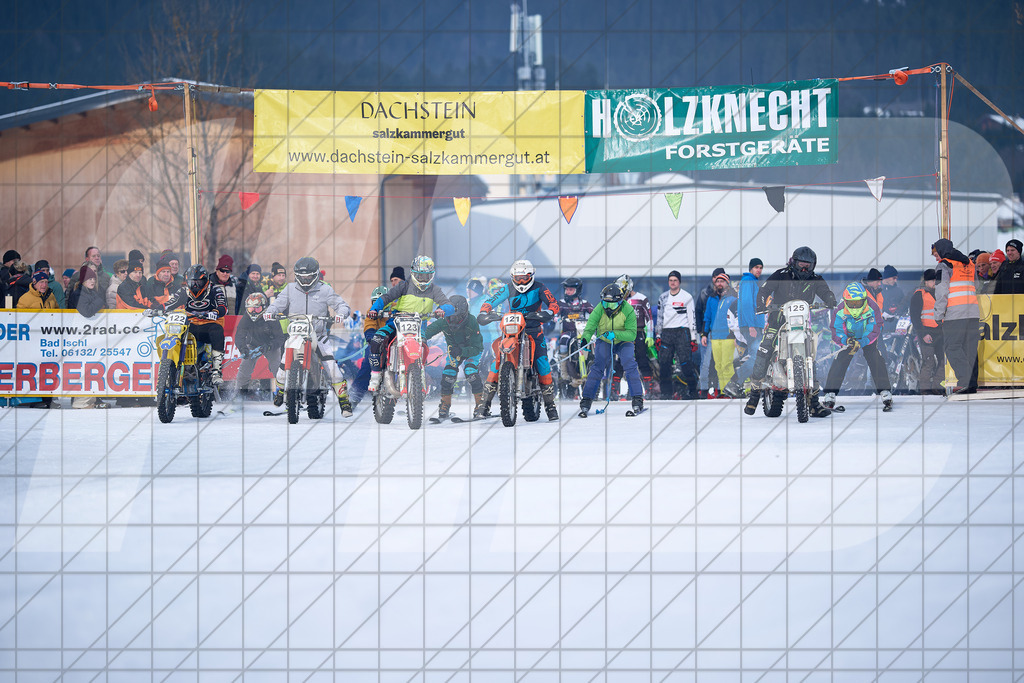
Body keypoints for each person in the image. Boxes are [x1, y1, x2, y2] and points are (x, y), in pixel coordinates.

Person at [743, 246, 838, 417]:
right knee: (764, 349)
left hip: (802, 324)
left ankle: (814, 404)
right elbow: (764, 290)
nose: (804, 268)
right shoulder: (781, 274)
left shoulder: (815, 279)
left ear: (813, 265)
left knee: (811, 357)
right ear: (793, 262)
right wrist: (761, 304)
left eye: (807, 265)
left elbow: (825, 291)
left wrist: (830, 298)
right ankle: (755, 392)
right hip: (777, 321)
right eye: (801, 264)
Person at [264, 257, 354, 416]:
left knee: (332, 367)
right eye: (302, 276)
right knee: (282, 366)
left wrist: (341, 314)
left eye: (309, 276)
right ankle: (279, 390)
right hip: (295, 333)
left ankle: (344, 401)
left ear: (316, 275)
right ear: (297, 275)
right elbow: (277, 304)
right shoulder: (290, 289)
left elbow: (342, 305)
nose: (305, 279)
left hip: (318, 334)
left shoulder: (325, 289)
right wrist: (269, 312)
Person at [474, 259, 559, 420]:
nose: (520, 281)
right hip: (512, 331)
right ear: (512, 276)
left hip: (533, 330)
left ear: (531, 276)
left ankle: (550, 405)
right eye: (517, 278)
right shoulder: (508, 288)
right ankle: (484, 405)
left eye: (524, 278)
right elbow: (491, 300)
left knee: (542, 362)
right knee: (497, 362)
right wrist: (484, 311)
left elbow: (553, 303)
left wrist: (549, 312)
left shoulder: (540, 287)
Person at [367, 256, 453, 397]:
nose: (423, 279)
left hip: (419, 327)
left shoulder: (435, 290)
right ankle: (376, 375)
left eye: (427, 276)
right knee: (377, 339)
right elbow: (386, 297)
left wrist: (442, 310)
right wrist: (374, 309)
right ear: (413, 273)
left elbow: (449, 305)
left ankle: (419, 371)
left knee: (424, 345)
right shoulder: (404, 286)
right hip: (396, 322)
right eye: (420, 275)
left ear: (432, 275)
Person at [821, 282, 893, 411]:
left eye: (858, 303)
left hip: (866, 339)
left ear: (864, 300)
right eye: (851, 303)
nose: (854, 306)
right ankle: (830, 394)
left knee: (876, 358)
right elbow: (836, 330)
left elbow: (875, 328)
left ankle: (885, 391)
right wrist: (846, 340)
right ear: (846, 301)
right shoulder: (840, 310)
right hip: (849, 339)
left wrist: (863, 341)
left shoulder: (872, 307)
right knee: (840, 360)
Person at [156, 265, 229, 387]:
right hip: (191, 325)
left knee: (217, 330)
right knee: (177, 333)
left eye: (198, 282)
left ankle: (216, 371)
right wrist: (156, 310)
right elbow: (170, 303)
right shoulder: (184, 291)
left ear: (205, 280)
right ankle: (173, 369)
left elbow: (223, 307)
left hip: (209, 325)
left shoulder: (215, 290)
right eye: (191, 282)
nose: (195, 285)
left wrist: (214, 313)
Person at [578, 283, 644, 416]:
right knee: (598, 366)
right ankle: (586, 400)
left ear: (620, 302)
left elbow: (632, 333)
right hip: (605, 340)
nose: (608, 307)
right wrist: (585, 338)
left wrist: (615, 334)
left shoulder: (628, 310)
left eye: (612, 304)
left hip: (623, 341)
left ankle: (637, 398)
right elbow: (590, 326)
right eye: (606, 303)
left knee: (629, 364)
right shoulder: (599, 308)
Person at [423, 294, 486, 419]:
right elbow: (427, 332)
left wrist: (462, 351)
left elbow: (478, 347)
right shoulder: (442, 321)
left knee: (470, 372)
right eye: (450, 317)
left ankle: (481, 405)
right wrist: (420, 339)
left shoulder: (472, 321)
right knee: (448, 375)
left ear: (464, 314)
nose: (453, 320)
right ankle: (445, 405)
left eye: (457, 317)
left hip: (471, 350)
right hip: (453, 351)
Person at [932, 238, 980, 393]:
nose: (936, 257)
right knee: (970, 349)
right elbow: (977, 286)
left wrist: (939, 314)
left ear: (941, 251)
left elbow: (941, 290)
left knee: (952, 347)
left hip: (955, 314)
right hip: (973, 312)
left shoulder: (944, 265)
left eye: (936, 253)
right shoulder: (969, 264)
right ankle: (972, 383)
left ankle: (964, 380)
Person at [228, 291, 285, 401]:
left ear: (263, 308)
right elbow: (240, 335)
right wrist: (243, 348)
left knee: (277, 369)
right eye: (251, 309)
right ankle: (239, 395)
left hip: (271, 345)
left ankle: (284, 394)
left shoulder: (270, 317)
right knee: (245, 368)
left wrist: (269, 346)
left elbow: (280, 338)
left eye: (257, 309)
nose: (253, 312)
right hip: (253, 345)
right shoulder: (246, 318)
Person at [655, 270, 699, 399]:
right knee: (664, 364)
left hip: (682, 332)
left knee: (685, 363)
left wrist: (693, 338)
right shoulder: (663, 297)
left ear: (679, 282)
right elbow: (659, 318)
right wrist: (658, 335)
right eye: (670, 280)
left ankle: (693, 391)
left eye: (675, 280)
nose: (672, 283)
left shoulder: (687, 297)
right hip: (667, 333)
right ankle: (666, 393)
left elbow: (692, 318)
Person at [701, 270, 744, 398]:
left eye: (722, 281)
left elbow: (738, 317)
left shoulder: (733, 298)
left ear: (727, 283)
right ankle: (725, 390)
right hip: (714, 337)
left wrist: (737, 335)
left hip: (728, 336)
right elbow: (707, 317)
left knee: (727, 364)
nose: (719, 283)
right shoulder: (711, 298)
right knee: (719, 366)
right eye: (718, 281)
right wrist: (704, 334)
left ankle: (732, 390)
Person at [612, 275, 655, 398]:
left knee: (642, 360)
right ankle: (614, 391)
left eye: (622, 290)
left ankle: (649, 390)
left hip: (638, 333)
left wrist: (650, 335)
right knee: (620, 362)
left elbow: (649, 319)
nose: (621, 293)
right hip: (623, 334)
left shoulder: (641, 298)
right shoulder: (617, 301)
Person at [350, 285, 390, 407]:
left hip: (393, 341)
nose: (378, 305)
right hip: (376, 343)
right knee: (368, 364)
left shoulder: (395, 310)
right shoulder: (370, 312)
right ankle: (354, 396)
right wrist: (371, 338)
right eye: (375, 301)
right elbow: (369, 326)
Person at [556, 276, 594, 395]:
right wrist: (556, 318)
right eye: (567, 290)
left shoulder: (585, 303)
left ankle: (592, 365)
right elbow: (555, 313)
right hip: (568, 332)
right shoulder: (561, 303)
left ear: (577, 290)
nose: (568, 292)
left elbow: (594, 313)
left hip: (582, 332)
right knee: (563, 342)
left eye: (571, 290)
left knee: (593, 342)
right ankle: (564, 372)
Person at [908, 269, 944, 394]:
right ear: (926, 281)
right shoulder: (919, 295)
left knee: (943, 361)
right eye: (932, 280)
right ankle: (925, 390)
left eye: (936, 280)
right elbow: (915, 318)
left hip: (940, 332)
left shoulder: (940, 294)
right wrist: (923, 334)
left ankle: (936, 387)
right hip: (926, 332)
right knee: (928, 362)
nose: (935, 283)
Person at [736, 258, 765, 392]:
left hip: (754, 325)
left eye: (761, 267)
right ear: (750, 268)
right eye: (756, 267)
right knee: (757, 358)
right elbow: (747, 304)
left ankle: (751, 386)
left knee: (758, 357)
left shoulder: (753, 282)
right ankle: (735, 382)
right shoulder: (748, 280)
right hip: (751, 326)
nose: (758, 270)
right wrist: (751, 326)